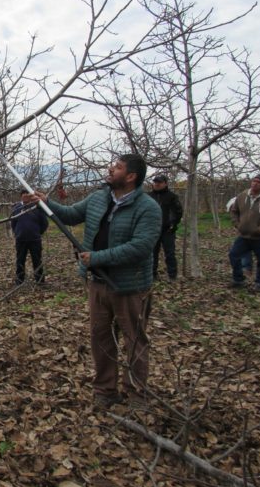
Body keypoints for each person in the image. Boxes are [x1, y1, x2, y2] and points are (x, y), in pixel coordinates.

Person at [27, 154, 161, 409]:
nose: (111, 169)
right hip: (98, 283)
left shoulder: (148, 208)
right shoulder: (99, 197)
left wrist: (97, 257)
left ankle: (136, 395)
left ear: (131, 176)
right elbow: (70, 214)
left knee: (134, 340)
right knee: (101, 337)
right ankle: (105, 390)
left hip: (130, 286)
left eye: (118, 167)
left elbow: (141, 247)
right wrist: (47, 202)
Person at [228, 174, 260, 292]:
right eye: (253, 181)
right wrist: (237, 224)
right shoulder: (242, 196)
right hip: (244, 236)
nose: (254, 184)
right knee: (233, 255)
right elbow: (234, 211)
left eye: (258, 182)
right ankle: (238, 280)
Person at [148, 174, 183, 281]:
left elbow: (178, 211)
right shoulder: (148, 196)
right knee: (152, 253)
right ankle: (152, 274)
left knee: (170, 253)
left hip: (168, 230)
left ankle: (172, 275)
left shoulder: (172, 196)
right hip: (153, 229)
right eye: (155, 182)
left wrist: (173, 223)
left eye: (159, 182)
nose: (157, 184)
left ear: (165, 183)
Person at [11, 189, 49, 284]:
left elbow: (44, 223)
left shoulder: (36, 207)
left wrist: (38, 232)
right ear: (21, 197)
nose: (25, 196)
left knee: (37, 260)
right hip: (21, 239)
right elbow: (13, 223)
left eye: (27, 195)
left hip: (35, 239)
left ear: (29, 196)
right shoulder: (16, 208)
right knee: (20, 260)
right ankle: (20, 280)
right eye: (23, 195)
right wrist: (17, 233)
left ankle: (40, 280)